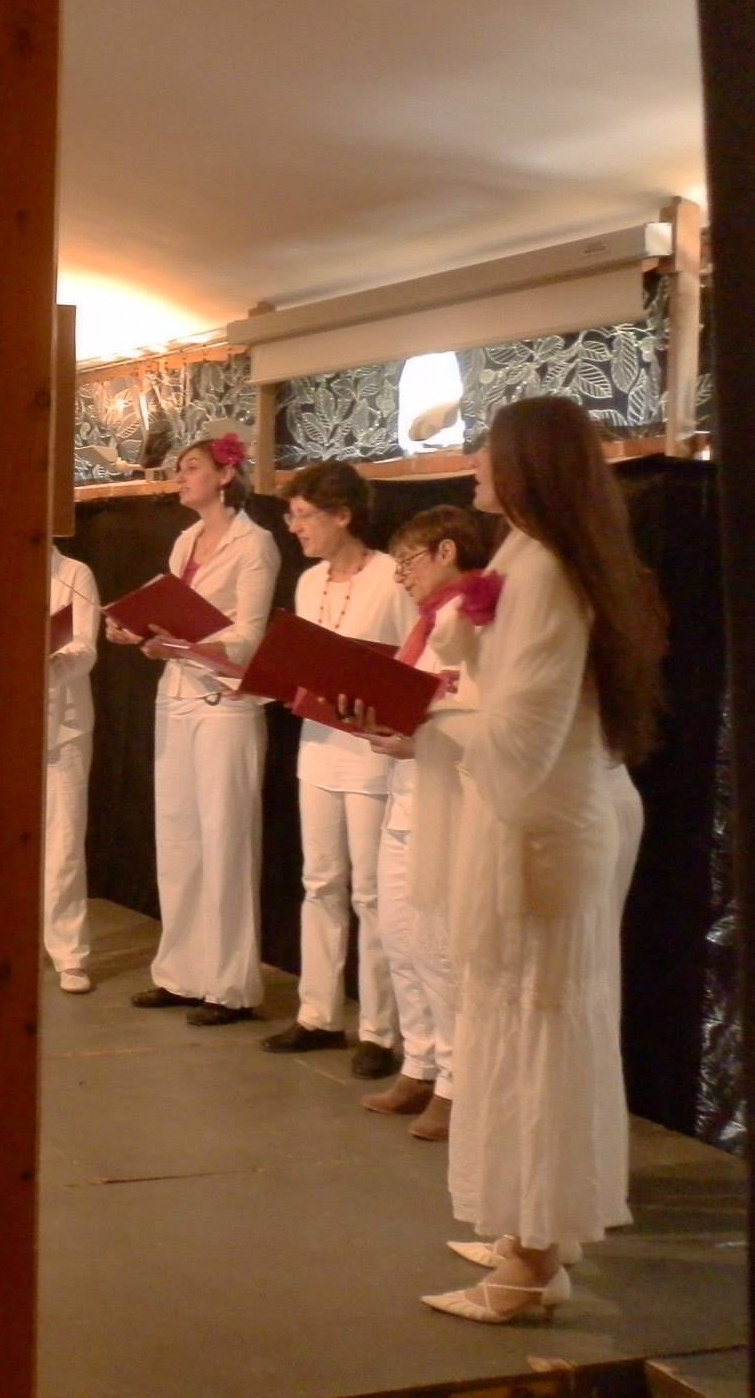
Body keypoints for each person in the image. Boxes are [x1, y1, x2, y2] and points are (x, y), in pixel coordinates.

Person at [416, 396, 662, 1324]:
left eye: (488, 454)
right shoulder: (526, 558)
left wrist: (425, 712)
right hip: (535, 825)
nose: (474, 469)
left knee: (542, 1034)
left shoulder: (552, 571)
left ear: (526, 467)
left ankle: (530, 1262)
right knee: (511, 1028)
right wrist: (456, 643)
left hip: (546, 837)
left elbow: (522, 732)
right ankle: (523, 1226)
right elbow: (496, 688)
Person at [108, 433, 280, 1024]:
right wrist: (141, 633)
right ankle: (180, 972)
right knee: (178, 836)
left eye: (190, 468)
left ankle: (230, 985)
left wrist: (182, 640)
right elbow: (171, 613)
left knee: (226, 841)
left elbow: (251, 633)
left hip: (225, 702)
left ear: (224, 476)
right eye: (180, 469)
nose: (180, 477)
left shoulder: (255, 544)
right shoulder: (184, 542)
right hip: (177, 694)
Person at [259, 462, 415, 1078]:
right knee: (320, 881)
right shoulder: (307, 581)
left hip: (371, 753)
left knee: (373, 894)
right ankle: (318, 1013)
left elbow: (411, 662)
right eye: (290, 517)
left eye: (303, 516)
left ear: (342, 515)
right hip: (319, 745)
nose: (294, 528)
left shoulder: (390, 579)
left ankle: (379, 1029)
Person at [354, 506, 491, 1141]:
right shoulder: (426, 623)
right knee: (400, 935)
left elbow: (477, 713)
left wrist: (422, 741)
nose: (400, 577)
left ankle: (459, 1083)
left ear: (445, 551)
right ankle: (420, 1061)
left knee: (439, 947)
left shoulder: (474, 618)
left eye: (407, 563)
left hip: (449, 796)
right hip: (407, 788)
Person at [43, 545, 100, 994]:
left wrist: (49, 663)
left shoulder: (73, 572)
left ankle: (69, 953)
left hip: (63, 723)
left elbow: (85, 646)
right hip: (6, 723)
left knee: (63, 840)